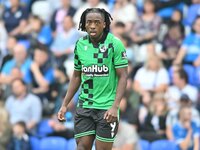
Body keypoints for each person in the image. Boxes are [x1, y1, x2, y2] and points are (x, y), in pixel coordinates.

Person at [57, 8, 128, 150]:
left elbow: (123, 76)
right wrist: (65, 104)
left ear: (104, 24)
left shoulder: (115, 44)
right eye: (89, 22)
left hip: (107, 108)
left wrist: (115, 106)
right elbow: (76, 76)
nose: (92, 25)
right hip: (85, 106)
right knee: (82, 147)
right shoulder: (80, 45)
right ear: (84, 24)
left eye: (97, 22)